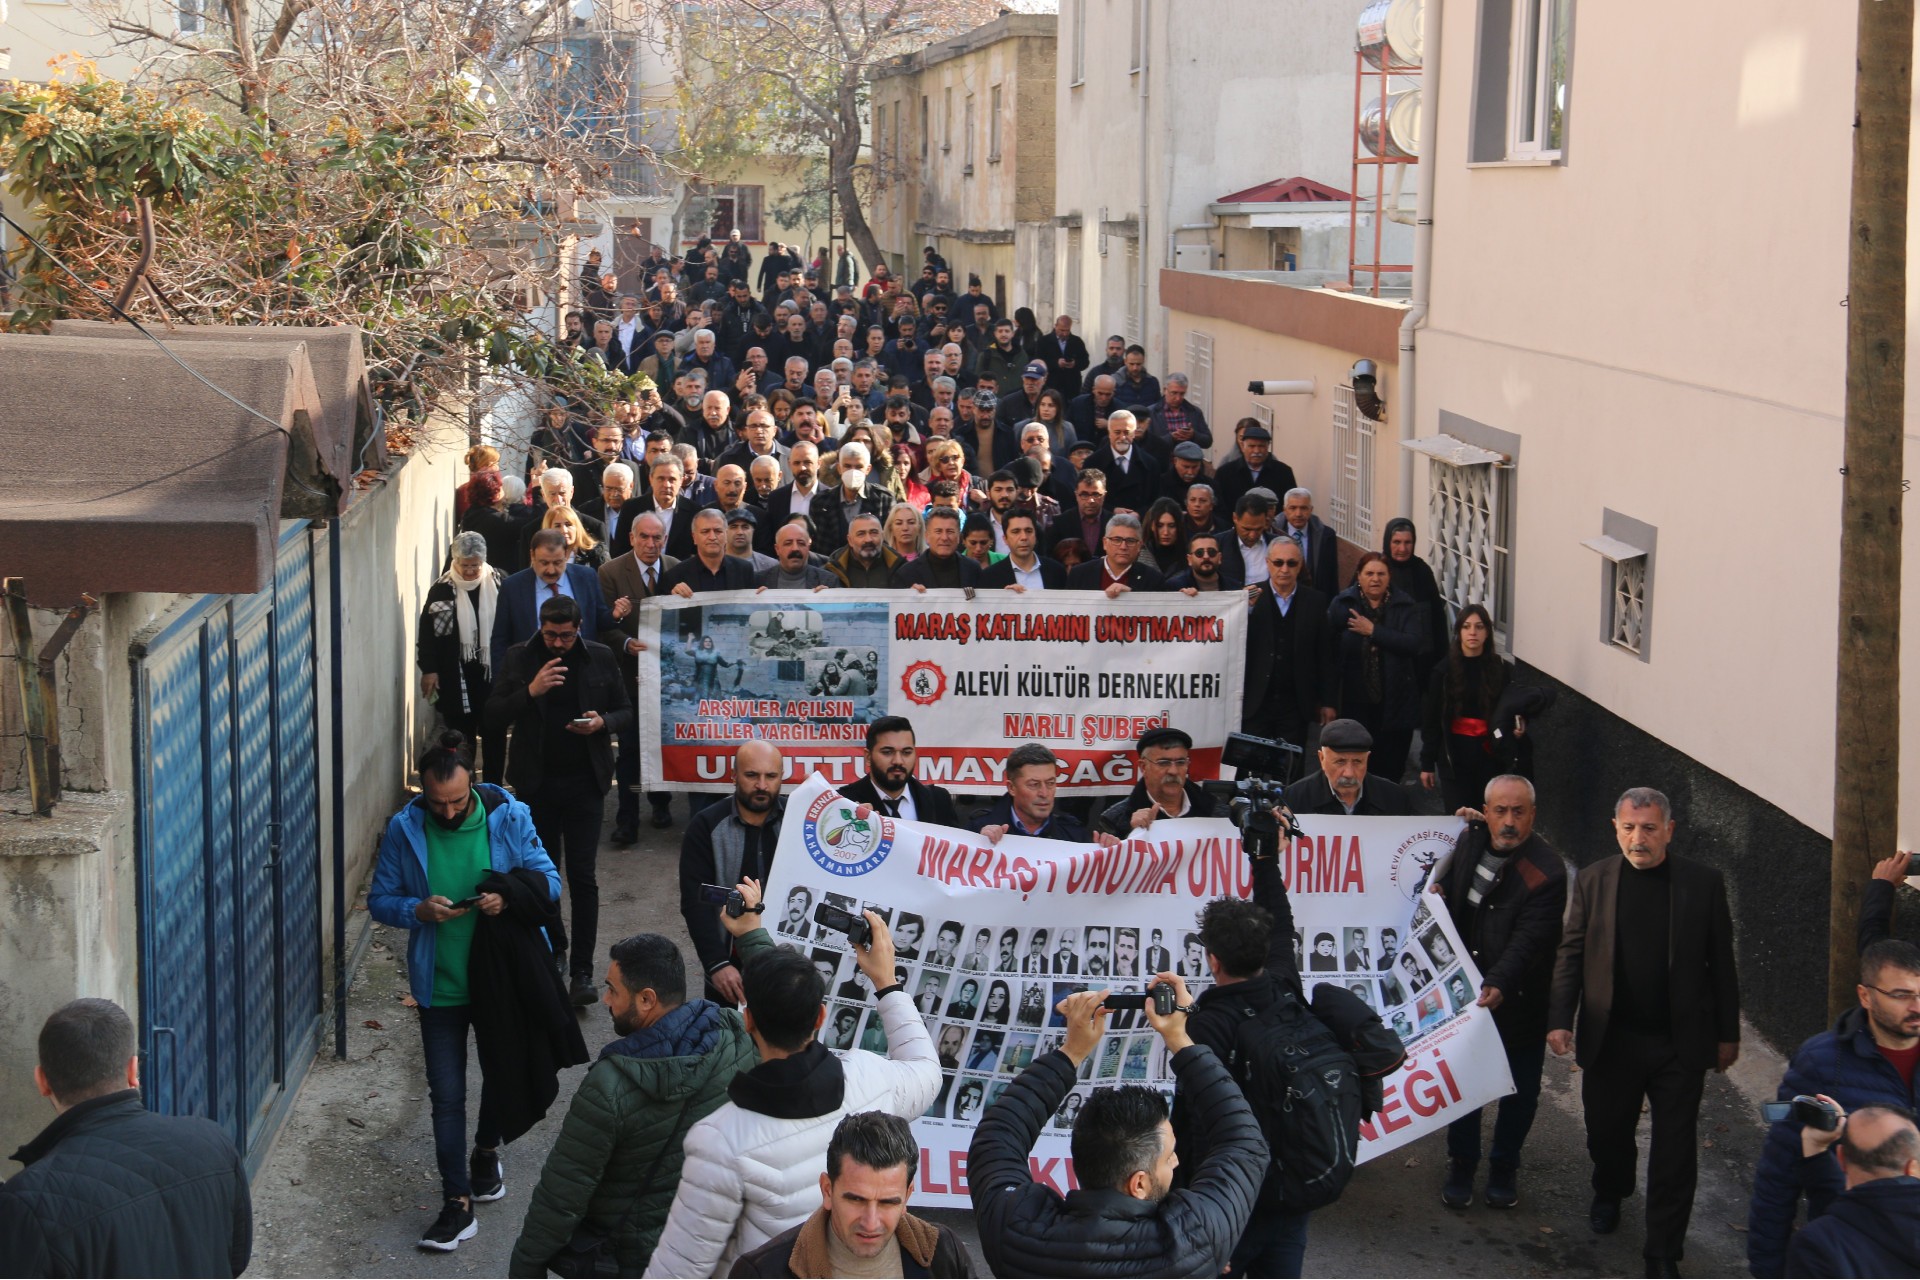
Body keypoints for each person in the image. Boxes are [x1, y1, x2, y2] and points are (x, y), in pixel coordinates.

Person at [644, 893, 942, 1278]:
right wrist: (886, 982)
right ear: (820, 1016)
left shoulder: (719, 1139)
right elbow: (926, 1071)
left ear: (747, 1021)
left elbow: (680, 1270)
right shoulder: (874, 1078)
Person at [368, 732, 577, 1251]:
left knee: (501, 1071)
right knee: (446, 1096)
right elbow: (380, 899)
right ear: (423, 792)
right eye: (437, 803)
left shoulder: (509, 815)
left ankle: (486, 1151)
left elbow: (549, 882)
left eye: (458, 801)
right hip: (439, 986)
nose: (448, 811)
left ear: (472, 784)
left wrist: (506, 895)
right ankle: (456, 1204)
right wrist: (416, 911)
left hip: (500, 979)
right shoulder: (404, 828)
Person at [1548, 787, 1741, 1276]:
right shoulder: (1592, 880)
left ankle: (1662, 1252)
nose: (1639, 838)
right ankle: (1611, 1188)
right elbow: (1571, 954)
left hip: (1678, 1043)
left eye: (1650, 828)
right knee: (1606, 1135)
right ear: (1615, 827)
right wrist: (1558, 1019)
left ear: (1669, 831)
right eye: (1630, 828)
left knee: (1675, 1154)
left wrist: (1727, 1033)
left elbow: (1721, 964)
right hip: (1612, 1039)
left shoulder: (1702, 884)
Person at [966, 982, 1269, 1277]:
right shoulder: (1195, 1240)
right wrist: (1179, 1038)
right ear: (1138, 1183)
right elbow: (1244, 1143)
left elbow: (997, 1138)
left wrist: (1071, 1051)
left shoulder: (1014, 1231)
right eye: (1168, 1156)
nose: (1176, 1160)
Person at [507, 933, 758, 1277]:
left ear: (646, 999)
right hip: (700, 1252)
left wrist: (525, 1268)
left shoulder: (609, 1085)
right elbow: (787, 1005)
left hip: (627, 1259)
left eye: (613, 989)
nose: (606, 1000)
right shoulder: (733, 1041)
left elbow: (562, 1194)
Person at [0, 998, 252, 1277]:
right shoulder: (212, 1142)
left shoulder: (27, 1202)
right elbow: (236, 1259)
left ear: (42, 1081)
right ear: (133, 1071)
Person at [485, 595, 635, 1007]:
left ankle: (583, 971)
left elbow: (626, 710)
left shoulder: (600, 657)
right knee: (541, 877)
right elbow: (494, 714)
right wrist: (530, 692)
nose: (558, 643)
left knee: (583, 877)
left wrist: (603, 723)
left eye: (566, 636)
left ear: (579, 628)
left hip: (586, 784)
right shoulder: (520, 658)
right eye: (551, 635)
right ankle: (556, 950)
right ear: (540, 627)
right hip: (537, 786)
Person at [1429, 775, 1567, 1211]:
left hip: (1519, 1001)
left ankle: (1505, 1166)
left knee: (1519, 1094)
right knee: (1465, 1086)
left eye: (1519, 812)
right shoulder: (1468, 841)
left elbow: (1530, 940)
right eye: (1500, 811)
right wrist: (1438, 893)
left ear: (1533, 814)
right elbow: (1451, 897)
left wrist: (1499, 982)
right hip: (1466, 996)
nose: (1509, 822)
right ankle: (1462, 1163)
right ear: (1485, 812)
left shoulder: (1547, 871)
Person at [1747, 935, 1920, 1276]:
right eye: (1901, 995)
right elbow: (1779, 1172)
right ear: (1865, 996)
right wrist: (1767, 1268)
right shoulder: (1821, 1063)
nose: (1917, 1006)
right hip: (1850, 1256)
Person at [727, 1111, 975, 1278]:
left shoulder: (943, 1253)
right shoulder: (763, 1272)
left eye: (888, 1203)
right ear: (827, 1190)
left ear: (908, 1196)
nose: (870, 1222)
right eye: (856, 1199)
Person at [679, 743, 787, 1006]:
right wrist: (717, 964)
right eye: (752, 775)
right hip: (730, 970)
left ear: (781, 777)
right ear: (733, 775)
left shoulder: (800, 821)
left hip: (789, 965)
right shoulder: (706, 826)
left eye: (770, 776)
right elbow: (696, 902)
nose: (762, 785)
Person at [599, 512, 677, 836]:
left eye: (656, 537)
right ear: (631, 538)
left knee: (662, 745)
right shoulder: (610, 572)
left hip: (670, 680)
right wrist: (626, 641)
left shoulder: (676, 569)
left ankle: (661, 803)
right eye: (643, 537)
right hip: (630, 677)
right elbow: (602, 626)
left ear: (664, 540)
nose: (650, 544)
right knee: (629, 749)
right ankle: (627, 820)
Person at [1781, 1100, 1920, 1277]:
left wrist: (1814, 1145)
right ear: (1912, 1168)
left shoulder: (1818, 1247)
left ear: (1841, 1158)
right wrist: (1815, 1150)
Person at [1327, 551, 1430, 781]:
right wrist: (1329, 699)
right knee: (1354, 769)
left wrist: (1373, 631)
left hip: (1394, 703)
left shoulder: (1404, 605)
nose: (1375, 579)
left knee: (1390, 770)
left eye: (1381, 574)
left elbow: (1413, 643)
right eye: (1369, 573)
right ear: (1359, 576)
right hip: (1354, 703)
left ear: (1389, 577)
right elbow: (1328, 652)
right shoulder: (1343, 604)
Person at [1420, 604, 1531, 813]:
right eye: (1467, 627)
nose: (1473, 632)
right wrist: (1427, 763)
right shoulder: (1442, 672)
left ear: (1487, 632)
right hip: (1455, 755)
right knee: (1459, 817)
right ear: (1459, 631)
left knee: (1489, 813)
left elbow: (1511, 708)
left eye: (1479, 627)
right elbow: (1432, 720)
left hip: (1490, 753)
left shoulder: (1501, 669)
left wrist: (1518, 726)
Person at [420, 531, 507, 782]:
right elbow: (427, 635)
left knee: (494, 733)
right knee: (461, 736)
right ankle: (465, 784)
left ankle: (493, 786)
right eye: (465, 565)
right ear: (454, 562)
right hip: (455, 676)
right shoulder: (441, 590)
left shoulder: (499, 582)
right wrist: (429, 669)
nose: (470, 571)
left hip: (491, 674)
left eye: (475, 566)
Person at [1243, 537, 1335, 752]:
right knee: (1249, 769)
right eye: (1278, 563)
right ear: (1268, 563)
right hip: (1256, 702)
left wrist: (1328, 701)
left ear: (1300, 565)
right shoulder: (1249, 597)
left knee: (1292, 770)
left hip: (1296, 703)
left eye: (1291, 563)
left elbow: (1325, 655)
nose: (1284, 569)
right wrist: (1245, 608)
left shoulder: (1316, 602)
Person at [491, 529, 626, 671]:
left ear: (567, 555)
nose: (551, 570)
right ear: (532, 555)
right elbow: (500, 640)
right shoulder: (512, 587)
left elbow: (598, 620)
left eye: (557, 563)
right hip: (532, 672)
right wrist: (501, 685)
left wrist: (614, 616)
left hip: (582, 670)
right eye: (544, 563)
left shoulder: (586, 577)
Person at [1097, 726, 1220, 835]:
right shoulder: (1115, 820)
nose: (1173, 771)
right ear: (1143, 767)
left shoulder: (1217, 810)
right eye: (1163, 763)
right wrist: (1132, 834)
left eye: (1181, 762)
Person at [838, 716, 961, 825]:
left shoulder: (938, 799)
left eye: (906, 752)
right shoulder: (844, 802)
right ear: (868, 757)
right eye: (887, 752)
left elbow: (957, 847)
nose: (898, 761)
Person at [1281, 718, 1413, 816]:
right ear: (1322, 759)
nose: (1349, 773)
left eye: (1357, 762)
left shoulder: (1395, 799)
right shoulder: (1294, 799)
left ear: (1367, 758)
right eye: (1340, 762)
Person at [970, 742, 1096, 844]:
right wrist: (978, 845)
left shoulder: (1074, 834)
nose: (1044, 793)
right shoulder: (978, 831)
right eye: (1034, 785)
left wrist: (1109, 853)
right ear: (1012, 788)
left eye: (1050, 783)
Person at [1382, 517, 1450, 691]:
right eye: (1396, 542)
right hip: (1383, 659)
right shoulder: (1377, 569)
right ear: (1387, 542)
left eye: (1408, 542)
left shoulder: (1422, 571)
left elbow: (1436, 618)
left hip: (1419, 661)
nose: (1402, 549)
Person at [1064, 512, 1168, 595]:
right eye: (1117, 540)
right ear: (1105, 543)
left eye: (1130, 541)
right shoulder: (1079, 574)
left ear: (1139, 546)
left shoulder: (1153, 579)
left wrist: (1133, 597)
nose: (1123, 547)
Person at [662, 508, 760, 594]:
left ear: (726, 535)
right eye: (705, 532)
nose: (712, 537)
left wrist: (762, 597)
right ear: (694, 537)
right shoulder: (675, 576)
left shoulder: (744, 570)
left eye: (718, 531)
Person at [1210, 422, 1297, 516]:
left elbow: (1291, 504)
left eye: (1261, 446)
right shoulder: (1225, 473)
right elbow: (1218, 506)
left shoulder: (1283, 473)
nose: (1256, 451)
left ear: (1267, 447)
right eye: (1252, 446)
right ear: (1243, 446)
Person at [892, 507, 981, 589]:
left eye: (950, 531)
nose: (944, 538)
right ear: (927, 536)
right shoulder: (906, 573)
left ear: (959, 537)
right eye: (938, 531)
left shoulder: (973, 570)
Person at [756, 521, 837, 590]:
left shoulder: (828, 581)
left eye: (801, 543)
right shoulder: (758, 581)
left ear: (808, 548)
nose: (795, 548)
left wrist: (826, 602)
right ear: (777, 549)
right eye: (788, 543)